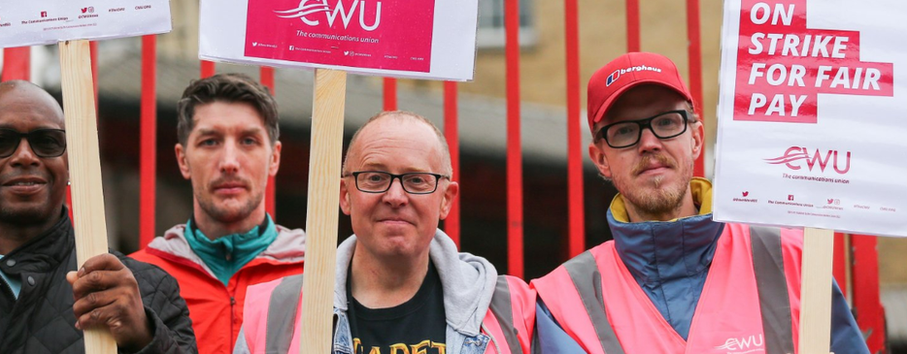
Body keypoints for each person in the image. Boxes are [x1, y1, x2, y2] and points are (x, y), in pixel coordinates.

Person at [531, 52, 869, 353]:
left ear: (695, 139)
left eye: (666, 123)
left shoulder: (790, 261)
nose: (649, 143)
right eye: (624, 131)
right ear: (600, 159)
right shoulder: (563, 302)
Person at [234, 111, 535, 354]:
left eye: (416, 180)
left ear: (445, 200)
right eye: (375, 177)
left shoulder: (513, 310)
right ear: (345, 195)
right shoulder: (273, 312)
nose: (395, 196)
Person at [0, 80, 196, 354]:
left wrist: (144, 337)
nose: (25, 156)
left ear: (69, 164)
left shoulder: (145, 291)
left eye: (46, 142)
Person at [131, 73, 304, 354]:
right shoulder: (136, 280)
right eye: (210, 141)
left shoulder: (321, 277)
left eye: (248, 141)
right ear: (183, 160)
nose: (229, 163)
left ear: (274, 158)